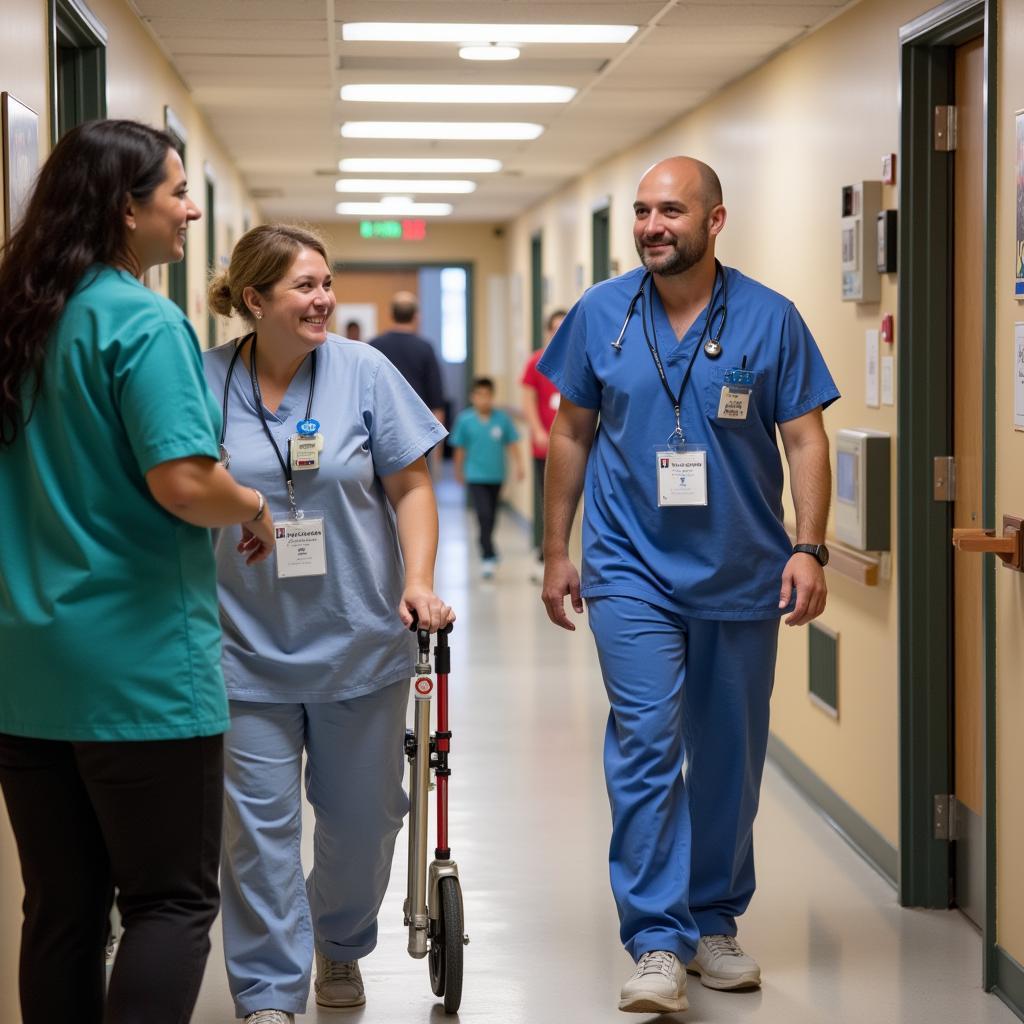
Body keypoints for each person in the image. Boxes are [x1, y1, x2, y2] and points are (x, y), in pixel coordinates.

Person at [538, 156, 839, 1015]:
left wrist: (808, 546)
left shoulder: (770, 318)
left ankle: (714, 918)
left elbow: (807, 439)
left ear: (715, 221)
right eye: (640, 211)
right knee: (644, 739)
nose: (650, 225)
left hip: (742, 566)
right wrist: (557, 549)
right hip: (629, 567)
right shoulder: (603, 314)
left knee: (729, 753)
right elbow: (572, 434)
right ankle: (657, 938)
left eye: (670, 209)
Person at [0, 119, 275, 1024]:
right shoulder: (143, 321)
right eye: (178, 192)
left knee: (63, 910)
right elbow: (186, 484)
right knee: (169, 903)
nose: (193, 210)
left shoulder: (20, 315)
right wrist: (254, 505)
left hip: (28, 674)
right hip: (140, 675)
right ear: (127, 209)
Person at [205, 224, 455, 1024]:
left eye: (326, 283)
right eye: (303, 286)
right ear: (255, 299)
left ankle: (339, 943)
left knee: (364, 821)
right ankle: (270, 992)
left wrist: (417, 580)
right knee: (258, 836)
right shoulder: (203, 382)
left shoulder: (366, 373)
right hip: (242, 646)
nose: (323, 299)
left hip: (359, 640)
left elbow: (412, 487)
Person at [450, 377, 524, 579]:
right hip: (475, 475)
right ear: (472, 397)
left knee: (491, 515)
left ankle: (489, 549)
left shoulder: (502, 419)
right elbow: (459, 448)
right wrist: (458, 471)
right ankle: (487, 555)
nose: (483, 399)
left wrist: (519, 466)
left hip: (496, 475)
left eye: (487, 395)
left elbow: (511, 444)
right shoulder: (465, 420)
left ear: (492, 397)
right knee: (483, 514)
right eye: (479, 395)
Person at [520, 308, 567, 579]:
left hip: (577, 445)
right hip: (545, 444)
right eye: (554, 328)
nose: (558, 333)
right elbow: (527, 401)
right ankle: (545, 555)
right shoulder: (537, 361)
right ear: (547, 331)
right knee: (548, 500)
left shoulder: (577, 357)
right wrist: (537, 430)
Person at [368, 291, 445, 424]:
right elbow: (436, 399)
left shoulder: (374, 346)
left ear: (391, 314)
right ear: (416, 316)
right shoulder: (425, 348)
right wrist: (438, 442)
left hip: (381, 425)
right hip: (418, 428)